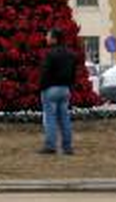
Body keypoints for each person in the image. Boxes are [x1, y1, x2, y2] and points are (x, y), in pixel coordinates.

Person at [38, 27, 77, 155]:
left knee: (50, 118)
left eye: (48, 36)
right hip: (65, 89)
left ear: (54, 39)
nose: (46, 38)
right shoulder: (71, 54)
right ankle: (67, 147)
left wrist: (42, 87)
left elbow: (45, 73)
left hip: (51, 89)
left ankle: (50, 145)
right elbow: (73, 73)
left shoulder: (50, 54)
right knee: (64, 118)